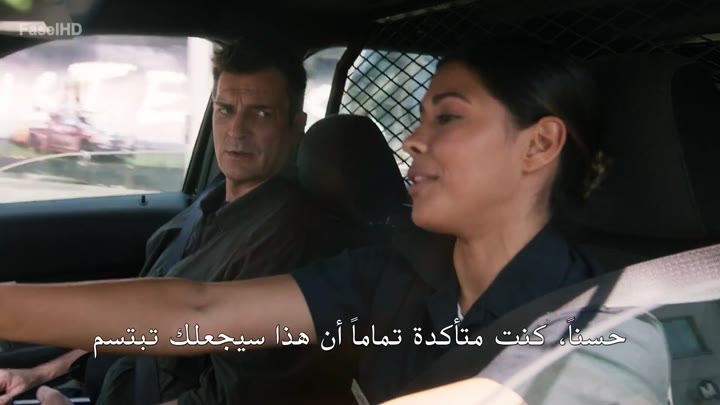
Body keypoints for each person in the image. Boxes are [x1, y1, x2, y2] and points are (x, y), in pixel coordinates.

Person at [0, 38, 670, 404]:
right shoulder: (396, 273)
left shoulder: (607, 320)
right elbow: (199, 310)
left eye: (448, 117)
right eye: (421, 116)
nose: (412, 139)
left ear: (539, 144)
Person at [0, 40, 359, 405]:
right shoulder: (209, 202)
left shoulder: (292, 239)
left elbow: (229, 398)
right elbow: (137, 320)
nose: (237, 130)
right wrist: (44, 372)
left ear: (296, 127)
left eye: (261, 114)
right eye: (225, 110)